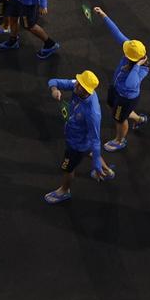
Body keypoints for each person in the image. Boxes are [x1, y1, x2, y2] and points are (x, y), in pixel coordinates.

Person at [43, 70, 111, 203]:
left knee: (68, 168)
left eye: (79, 84)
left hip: (77, 145)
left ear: (85, 90)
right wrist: (54, 89)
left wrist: (96, 164)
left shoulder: (92, 113)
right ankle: (107, 172)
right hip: (79, 137)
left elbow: (96, 140)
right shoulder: (78, 86)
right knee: (90, 151)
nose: (75, 85)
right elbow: (53, 81)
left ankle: (64, 191)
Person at [92, 10, 149, 152]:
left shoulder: (142, 70)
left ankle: (120, 140)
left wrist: (136, 66)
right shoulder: (132, 51)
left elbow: (130, 83)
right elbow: (117, 33)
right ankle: (139, 119)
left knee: (119, 119)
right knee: (113, 107)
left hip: (126, 98)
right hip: (116, 89)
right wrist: (104, 15)